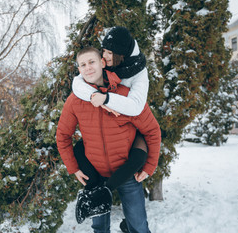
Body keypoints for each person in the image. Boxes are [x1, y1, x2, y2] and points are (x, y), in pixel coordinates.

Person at [56, 47, 161, 233]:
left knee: (138, 226)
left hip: (128, 173)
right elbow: (63, 136)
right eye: (82, 64)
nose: (88, 68)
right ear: (79, 69)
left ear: (102, 63)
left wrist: (149, 166)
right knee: (100, 228)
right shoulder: (75, 101)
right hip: (95, 175)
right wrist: (74, 168)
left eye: (91, 62)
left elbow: (152, 130)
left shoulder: (125, 95)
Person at [72, 26, 150, 231]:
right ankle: (100, 193)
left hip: (131, 144)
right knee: (80, 148)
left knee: (139, 225)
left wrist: (107, 99)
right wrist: (92, 96)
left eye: (107, 53)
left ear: (120, 56)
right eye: (102, 51)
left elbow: (139, 112)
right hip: (100, 157)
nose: (103, 57)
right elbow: (78, 81)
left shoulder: (139, 75)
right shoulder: (103, 68)